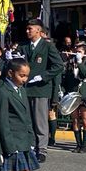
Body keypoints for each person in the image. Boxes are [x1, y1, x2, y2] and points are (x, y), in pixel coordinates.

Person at [19, 18, 64, 162]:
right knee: (27, 121)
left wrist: (43, 76)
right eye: (27, 28)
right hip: (25, 88)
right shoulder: (23, 46)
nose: (27, 31)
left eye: (30, 29)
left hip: (40, 89)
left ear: (38, 30)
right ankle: (31, 147)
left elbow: (58, 65)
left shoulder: (47, 46)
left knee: (40, 122)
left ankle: (42, 149)